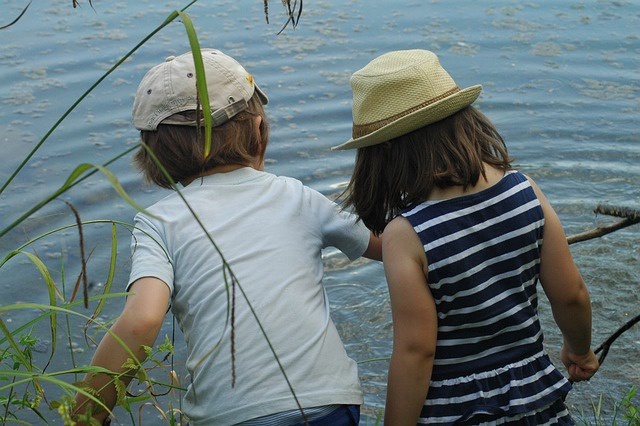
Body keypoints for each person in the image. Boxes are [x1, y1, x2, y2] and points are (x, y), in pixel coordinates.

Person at [73, 48, 381, 425]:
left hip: (230, 416)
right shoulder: (297, 196)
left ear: (152, 154)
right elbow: (393, 244)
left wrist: (83, 416)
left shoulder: (159, 221)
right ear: (258, 129)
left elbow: (141, 321)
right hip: (327, 402)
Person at [333, 49, 599, 425]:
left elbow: (416, 351)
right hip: (534, 399)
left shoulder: (405, 235)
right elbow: (571, 294)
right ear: (464, 121)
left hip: (455, 411)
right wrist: (580, 350)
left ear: (383, 153)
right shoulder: (525, 191)